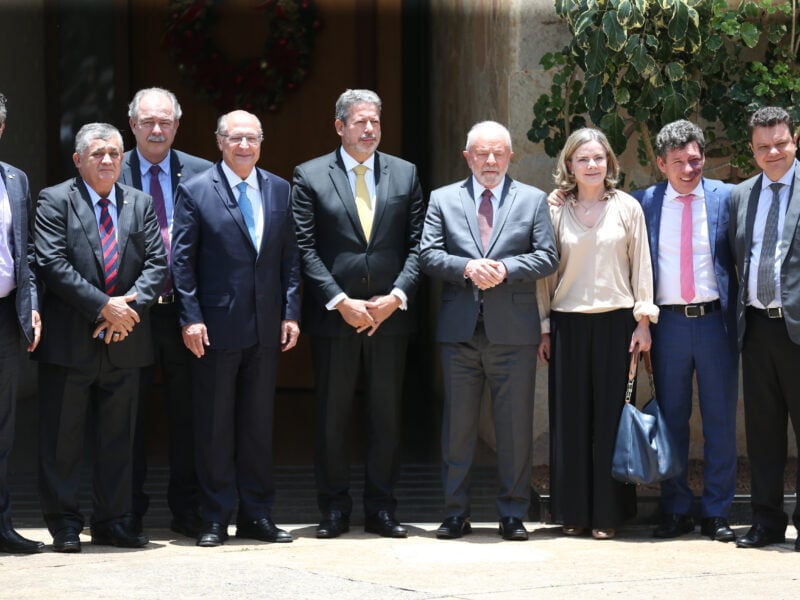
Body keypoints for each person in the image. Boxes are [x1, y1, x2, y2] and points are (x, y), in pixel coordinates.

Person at [291, 89, 424, 539]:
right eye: (360, 122)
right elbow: (303, 247)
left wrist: (396, 297)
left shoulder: (405, 174)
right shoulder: (309, 175)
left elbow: (419, 245)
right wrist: (339, 301)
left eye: (375, 122)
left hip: (390, 317)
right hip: (335, 318)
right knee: (332, 418)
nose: (369, 130)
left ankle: (382, 509)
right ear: (339, 127)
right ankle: (333, 510)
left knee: (386, 417)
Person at [420, 120, 558, 541]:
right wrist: (465, 267)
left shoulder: (532, 200)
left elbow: (547, 256)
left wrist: (504, 269)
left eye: (499, 153)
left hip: (513, 333)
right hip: (459, 333)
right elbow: (427, 254)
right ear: (468, 157)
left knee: (514, 429)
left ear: (511, 156)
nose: (491, 160)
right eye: (482, 153)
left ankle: (512, 513)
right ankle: (454, 513)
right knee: (457, 431)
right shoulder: (443, 199)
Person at [34, 122, 167, 552]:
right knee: (62, 440)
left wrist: (126, 310)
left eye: (114, 153)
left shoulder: (140, 202)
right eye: (97, 154)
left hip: (126, 339)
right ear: (78, 160)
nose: (108, 160)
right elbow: (52, 263)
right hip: (71, 341)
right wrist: (102, 306)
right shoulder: (55, 200)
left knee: (119, 439)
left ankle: (113, 521)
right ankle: (65, 524)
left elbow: (157, 265)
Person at [171, 109, 301, 547]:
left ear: (261, 142)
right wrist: (190, 318)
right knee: (214, 427)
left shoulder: (279, 188)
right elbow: (182, 263)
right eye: (235, 138)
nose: (244, 146)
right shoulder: (194, 190)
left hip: (266, 327)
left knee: (257, 427)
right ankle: (213, 517)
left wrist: (291, 311)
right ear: (219, 142)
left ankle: (257, 516)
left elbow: (290, 261)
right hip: (215, 328)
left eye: (252, 138)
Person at [537, 128, 657, 540]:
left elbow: (641, 264)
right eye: (583, 159)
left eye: (599, 158)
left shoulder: (627, 208)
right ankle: (572, 513)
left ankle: (608, 515)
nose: (592, 165)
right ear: (569, 164)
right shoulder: (554, 210)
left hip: (617, 325)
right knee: (570, 423)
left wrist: (644, 320)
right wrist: (545, 328)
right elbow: (544, 275)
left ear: (610, 163)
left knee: (611, 421)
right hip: (567, 325)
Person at [632, 121, 738, 542]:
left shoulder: (727, 198)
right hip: (668, 325)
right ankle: (675, 508)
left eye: (694, 159)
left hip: (716, 323)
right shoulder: (644, 203)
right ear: (661, 163)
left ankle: (717, 511)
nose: (688, 168)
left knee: (720, 422)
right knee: (670, 420)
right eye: (678, 162)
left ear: (703, 157)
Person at [120, 87, 212, 538]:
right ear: (132, 124)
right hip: (130, 313)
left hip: (184, 312)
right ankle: (128, 511)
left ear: (177, 125)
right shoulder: (109, 167)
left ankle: (188, 510)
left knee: (189, 415)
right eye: (147, 122)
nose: (157, 130)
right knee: (128, 414)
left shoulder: (202, 172)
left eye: (166, 122)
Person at [728, 106, 800, 552]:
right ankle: (766, 521)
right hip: (755, 330)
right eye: (762, 146)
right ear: (752, 151)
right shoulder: (741, 196)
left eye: (780, 143)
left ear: (795, 140)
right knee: (763, 433)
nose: (772, 152)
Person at [0, 93, 44, 554]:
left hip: (5, 314)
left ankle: (2, 524)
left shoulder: (15, 179)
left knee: (4, 427)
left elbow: (25, 252)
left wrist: (29, 301)